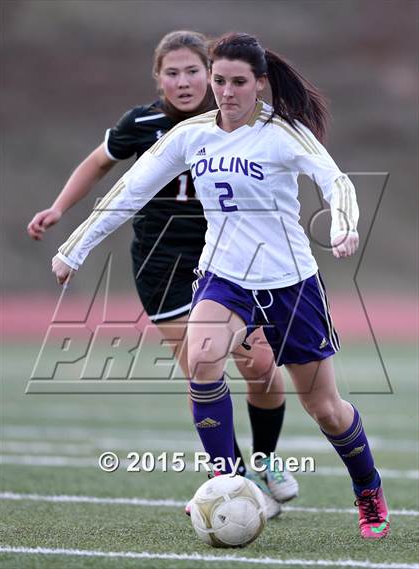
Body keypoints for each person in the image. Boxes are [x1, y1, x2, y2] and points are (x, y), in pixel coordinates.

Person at [50, 32, 390, 539]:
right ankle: (226, 479)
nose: (226, 92)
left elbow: (335, 180)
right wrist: (74, 248)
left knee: (324, 407)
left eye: (238, 83)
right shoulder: (192, 135)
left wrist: (343, 223)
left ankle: (367, 489)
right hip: (222, 277)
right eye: (220, 81)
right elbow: (129, 189)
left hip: (289, 283)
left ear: (260, 84)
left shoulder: (283, 132)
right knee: (204, 360)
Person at [28, 30, 298, 518]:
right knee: (201, 370)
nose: (184, 81)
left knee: (261, 367)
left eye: (194, 70)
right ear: (158, 78)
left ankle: (265, 462)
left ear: (211, 74)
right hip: (161, 266)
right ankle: (232, 480)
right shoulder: (143, 122)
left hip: (231, 261)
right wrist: (59, 207)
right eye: (171, 73)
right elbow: (98, 163)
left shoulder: (234, 119)